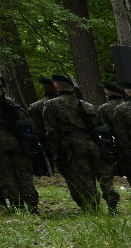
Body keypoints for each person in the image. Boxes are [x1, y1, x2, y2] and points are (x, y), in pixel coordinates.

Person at [42, 74, 119, 214]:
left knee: (85, 178)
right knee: (105, 176)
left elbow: (51, 132)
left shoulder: (51, 105)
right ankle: (112, 205)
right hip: (95, 143)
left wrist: (56, 151)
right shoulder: (86, 105)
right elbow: (100, 126)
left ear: (56, 86)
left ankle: (93, 208)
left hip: (73, 146)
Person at [0, 88, 39, 212]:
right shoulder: (3, 99)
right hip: (13, 139)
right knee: (23, 172)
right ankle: (32, 204)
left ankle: (16, 204)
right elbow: (24, 118)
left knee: (4, 174)